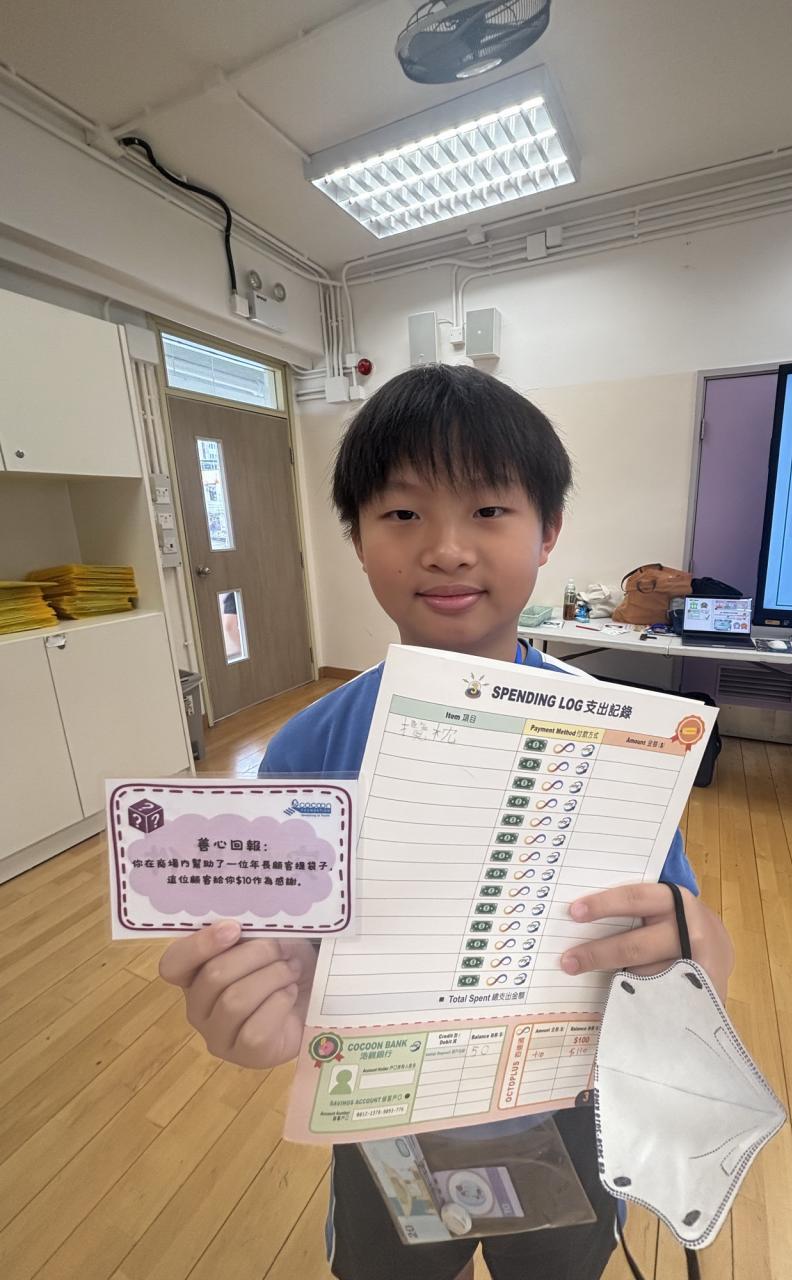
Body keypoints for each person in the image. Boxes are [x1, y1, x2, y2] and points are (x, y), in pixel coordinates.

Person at [159, 364, 735, 1280]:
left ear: (548, 531)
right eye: (402, 513)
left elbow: (670, 940)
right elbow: (281, 953)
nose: (447, 549)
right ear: (356, 539)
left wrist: (700, 956)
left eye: (489, 511)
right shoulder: (308, 747)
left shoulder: (617, 737)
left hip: (572, 1106)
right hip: (384, 1113)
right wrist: (257, 1003)